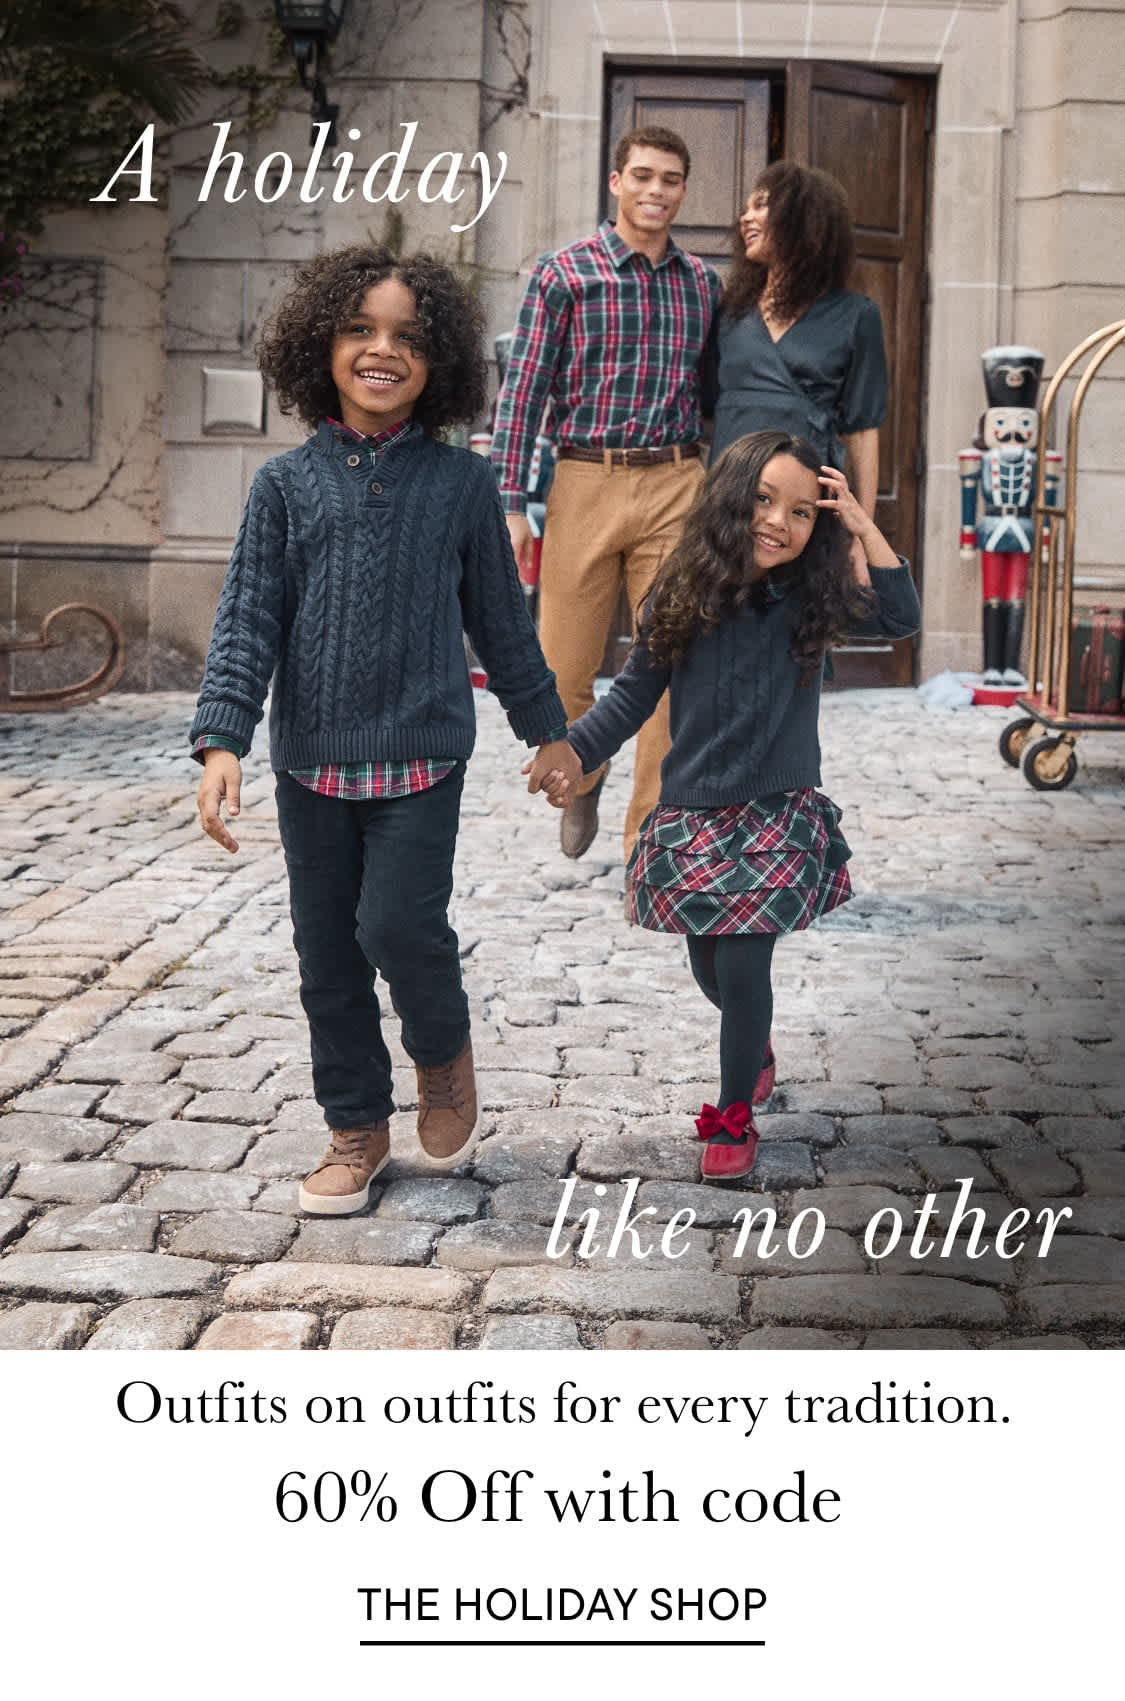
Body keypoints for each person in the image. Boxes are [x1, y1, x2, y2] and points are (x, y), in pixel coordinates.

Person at [190, 246, 569, 1216]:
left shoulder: (460, 487)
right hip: (312, 761)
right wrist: (223, 741)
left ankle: (441, 1053)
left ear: (438, 359)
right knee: (328, 957)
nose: (382, 350)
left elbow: (501, 622)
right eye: (361, 329)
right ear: (321, 346)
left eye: (406, 335)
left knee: (397, 925)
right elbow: (247, 621)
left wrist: (551, 733)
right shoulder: (284, 487)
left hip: (423, 754)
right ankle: (355, 1129)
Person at [526, 430, 921, 1183]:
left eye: (803, 512)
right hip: (693, 810)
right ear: (732, 497)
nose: (779, 521)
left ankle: (732, 1112)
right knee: (708, 965)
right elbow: (635, 694)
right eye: (765, 500)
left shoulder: (812, 595)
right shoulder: (681, 589)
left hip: (774, 812)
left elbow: (898, 615)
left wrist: (861, 525)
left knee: (743, 970)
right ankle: (757, 1043)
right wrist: (573, 753)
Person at [491, 125, 721, 863]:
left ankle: (646, 840)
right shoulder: (563, 274)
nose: (657, 191)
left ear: (683, 190)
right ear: (615, 182)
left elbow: (717, 392)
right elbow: (521, 394)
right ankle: (584, 770)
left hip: (676, 480)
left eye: (671, 179)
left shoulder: (702, 285)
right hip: (584, 477)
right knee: (561, 668)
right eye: (644, 176)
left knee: (669, 661)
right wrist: (509, 503)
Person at [709, 161, 888, 571]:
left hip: (806, 505)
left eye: (761, 206)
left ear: (802, 218)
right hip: (728, 502)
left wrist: (862, 534)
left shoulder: (856, 315)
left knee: (800, 625)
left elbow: (862, 431)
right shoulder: (728, 313)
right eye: (746, 208)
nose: (745, 218)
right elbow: (706, 414)